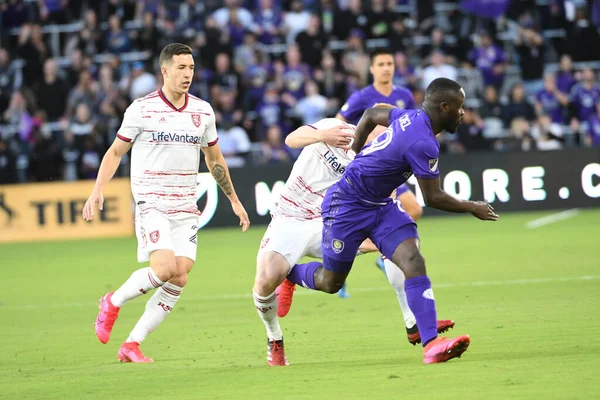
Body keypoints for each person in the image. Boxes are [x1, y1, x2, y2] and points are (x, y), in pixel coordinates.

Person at [278, 78, 498, 364]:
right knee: (331, 282)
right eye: (459, 107)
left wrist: (356, 151)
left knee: (412, 259)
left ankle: (430, 343)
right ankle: (291, 274)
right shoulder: (424, 143)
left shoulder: (409, 116)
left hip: (381, 206)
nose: (462, 113)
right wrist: (473, 207)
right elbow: (432, 198)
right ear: (444, 108)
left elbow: (371, 115)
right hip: (346, 206)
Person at [82, 43, 250, 363]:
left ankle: (132, 344)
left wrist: (235, 200)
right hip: (152, 201)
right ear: (165, 71)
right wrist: (97, 190)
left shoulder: (202, 111)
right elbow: (116, 152)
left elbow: (214, 159)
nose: (188, 74)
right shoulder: (141, 109)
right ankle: (113, 302)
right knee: (163, 269)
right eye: (181, 68)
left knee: (180, 275)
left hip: (186, 204)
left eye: (191, 68)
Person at [254, 113, 453, 366]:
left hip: (336, 220)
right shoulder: (335, 129)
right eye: (383, 134)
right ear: (370, 129)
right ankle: (275, 338)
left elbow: (386, 205)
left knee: (395, 244)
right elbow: (292, 139)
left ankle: (412, 321)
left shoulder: (384, 159)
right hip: (291, 217)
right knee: (265, 281)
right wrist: (321, 135)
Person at [335, 48, 422, 297]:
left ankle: (382, 257)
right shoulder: (362, 97)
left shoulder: (404, 94)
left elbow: (415, 125)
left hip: (393, 166)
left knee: (413, 209)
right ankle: (337, 265)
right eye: (381, 63)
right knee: (369, 226)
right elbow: (338, 120)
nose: (386, 67)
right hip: (370, 167)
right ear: (372, 69)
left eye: (390, 63)